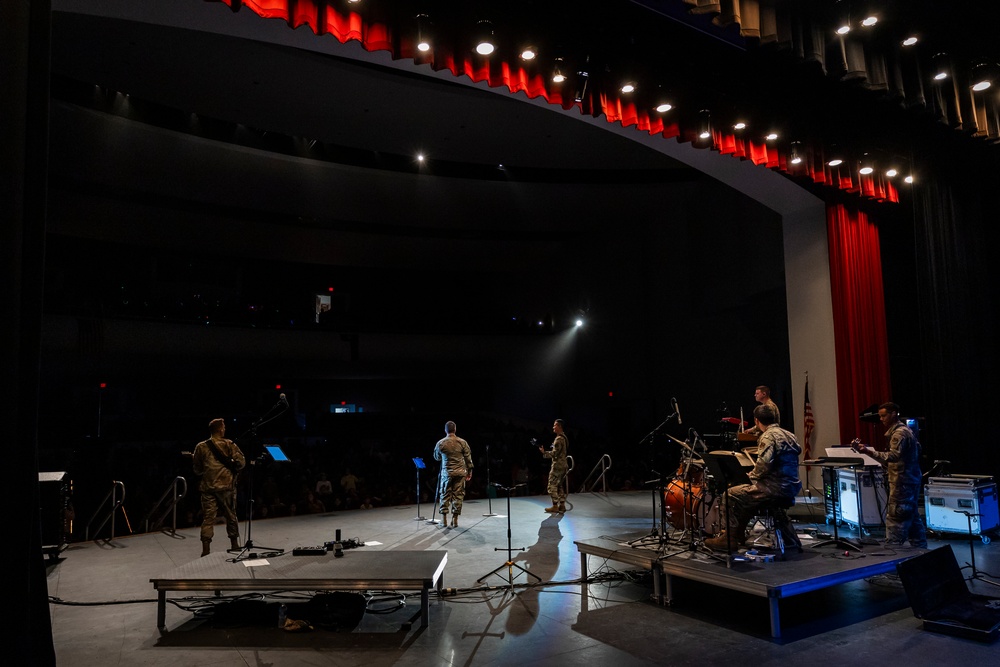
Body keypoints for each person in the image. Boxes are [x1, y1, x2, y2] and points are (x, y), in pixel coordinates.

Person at [705, 403, 802, 551]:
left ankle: (728, 539)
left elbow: (764, 464)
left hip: (773, 489)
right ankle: (738, 535)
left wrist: (752, 474)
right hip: (791, 487)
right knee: (745, 496)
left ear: (757, 421)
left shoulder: (768, 436)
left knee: (729, 495)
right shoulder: (789, 435)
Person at [853, 403, 928, 548]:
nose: (881, 419)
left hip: (902, 483)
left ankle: (892, 557)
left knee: (896, 519)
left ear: (893, 414)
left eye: (883, 415)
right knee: (912, 520)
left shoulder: (899, 433)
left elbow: (894, 456)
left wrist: (868, 452)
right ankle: (921, 553)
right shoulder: (904, 431)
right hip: (908, 481)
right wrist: (866, 451)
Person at [192, 418, 246, 557]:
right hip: (226, 487)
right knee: (230, 515)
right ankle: (234, 544)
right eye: (224, 427)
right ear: (220, 429)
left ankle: (206, 549)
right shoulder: (229, 444)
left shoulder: (201, 446)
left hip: (208, 488)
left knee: (208, 518)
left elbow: (197, 469)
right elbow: (241, 462)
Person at [433, 421, 473, 527]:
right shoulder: (462, 442)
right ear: (455, 429)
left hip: (447, 473)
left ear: (445, 430)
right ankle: (455, 520)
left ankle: (444, 520)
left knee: (445, 495)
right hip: (460, 473)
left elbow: (436, 457)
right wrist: (469, 472)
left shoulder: (441, 443)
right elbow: (468, 459)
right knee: (458, 496)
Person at [539, 419, 569, 513]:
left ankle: (555, 505)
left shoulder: (559, 439)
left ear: (560, 426)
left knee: (551, 485)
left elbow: (555, 453)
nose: (553, 427)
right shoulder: (564, 437)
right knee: (559, 485)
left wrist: (544, 453)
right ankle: (562, 505)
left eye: (555, 425)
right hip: (563, 465)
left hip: (557, 466)